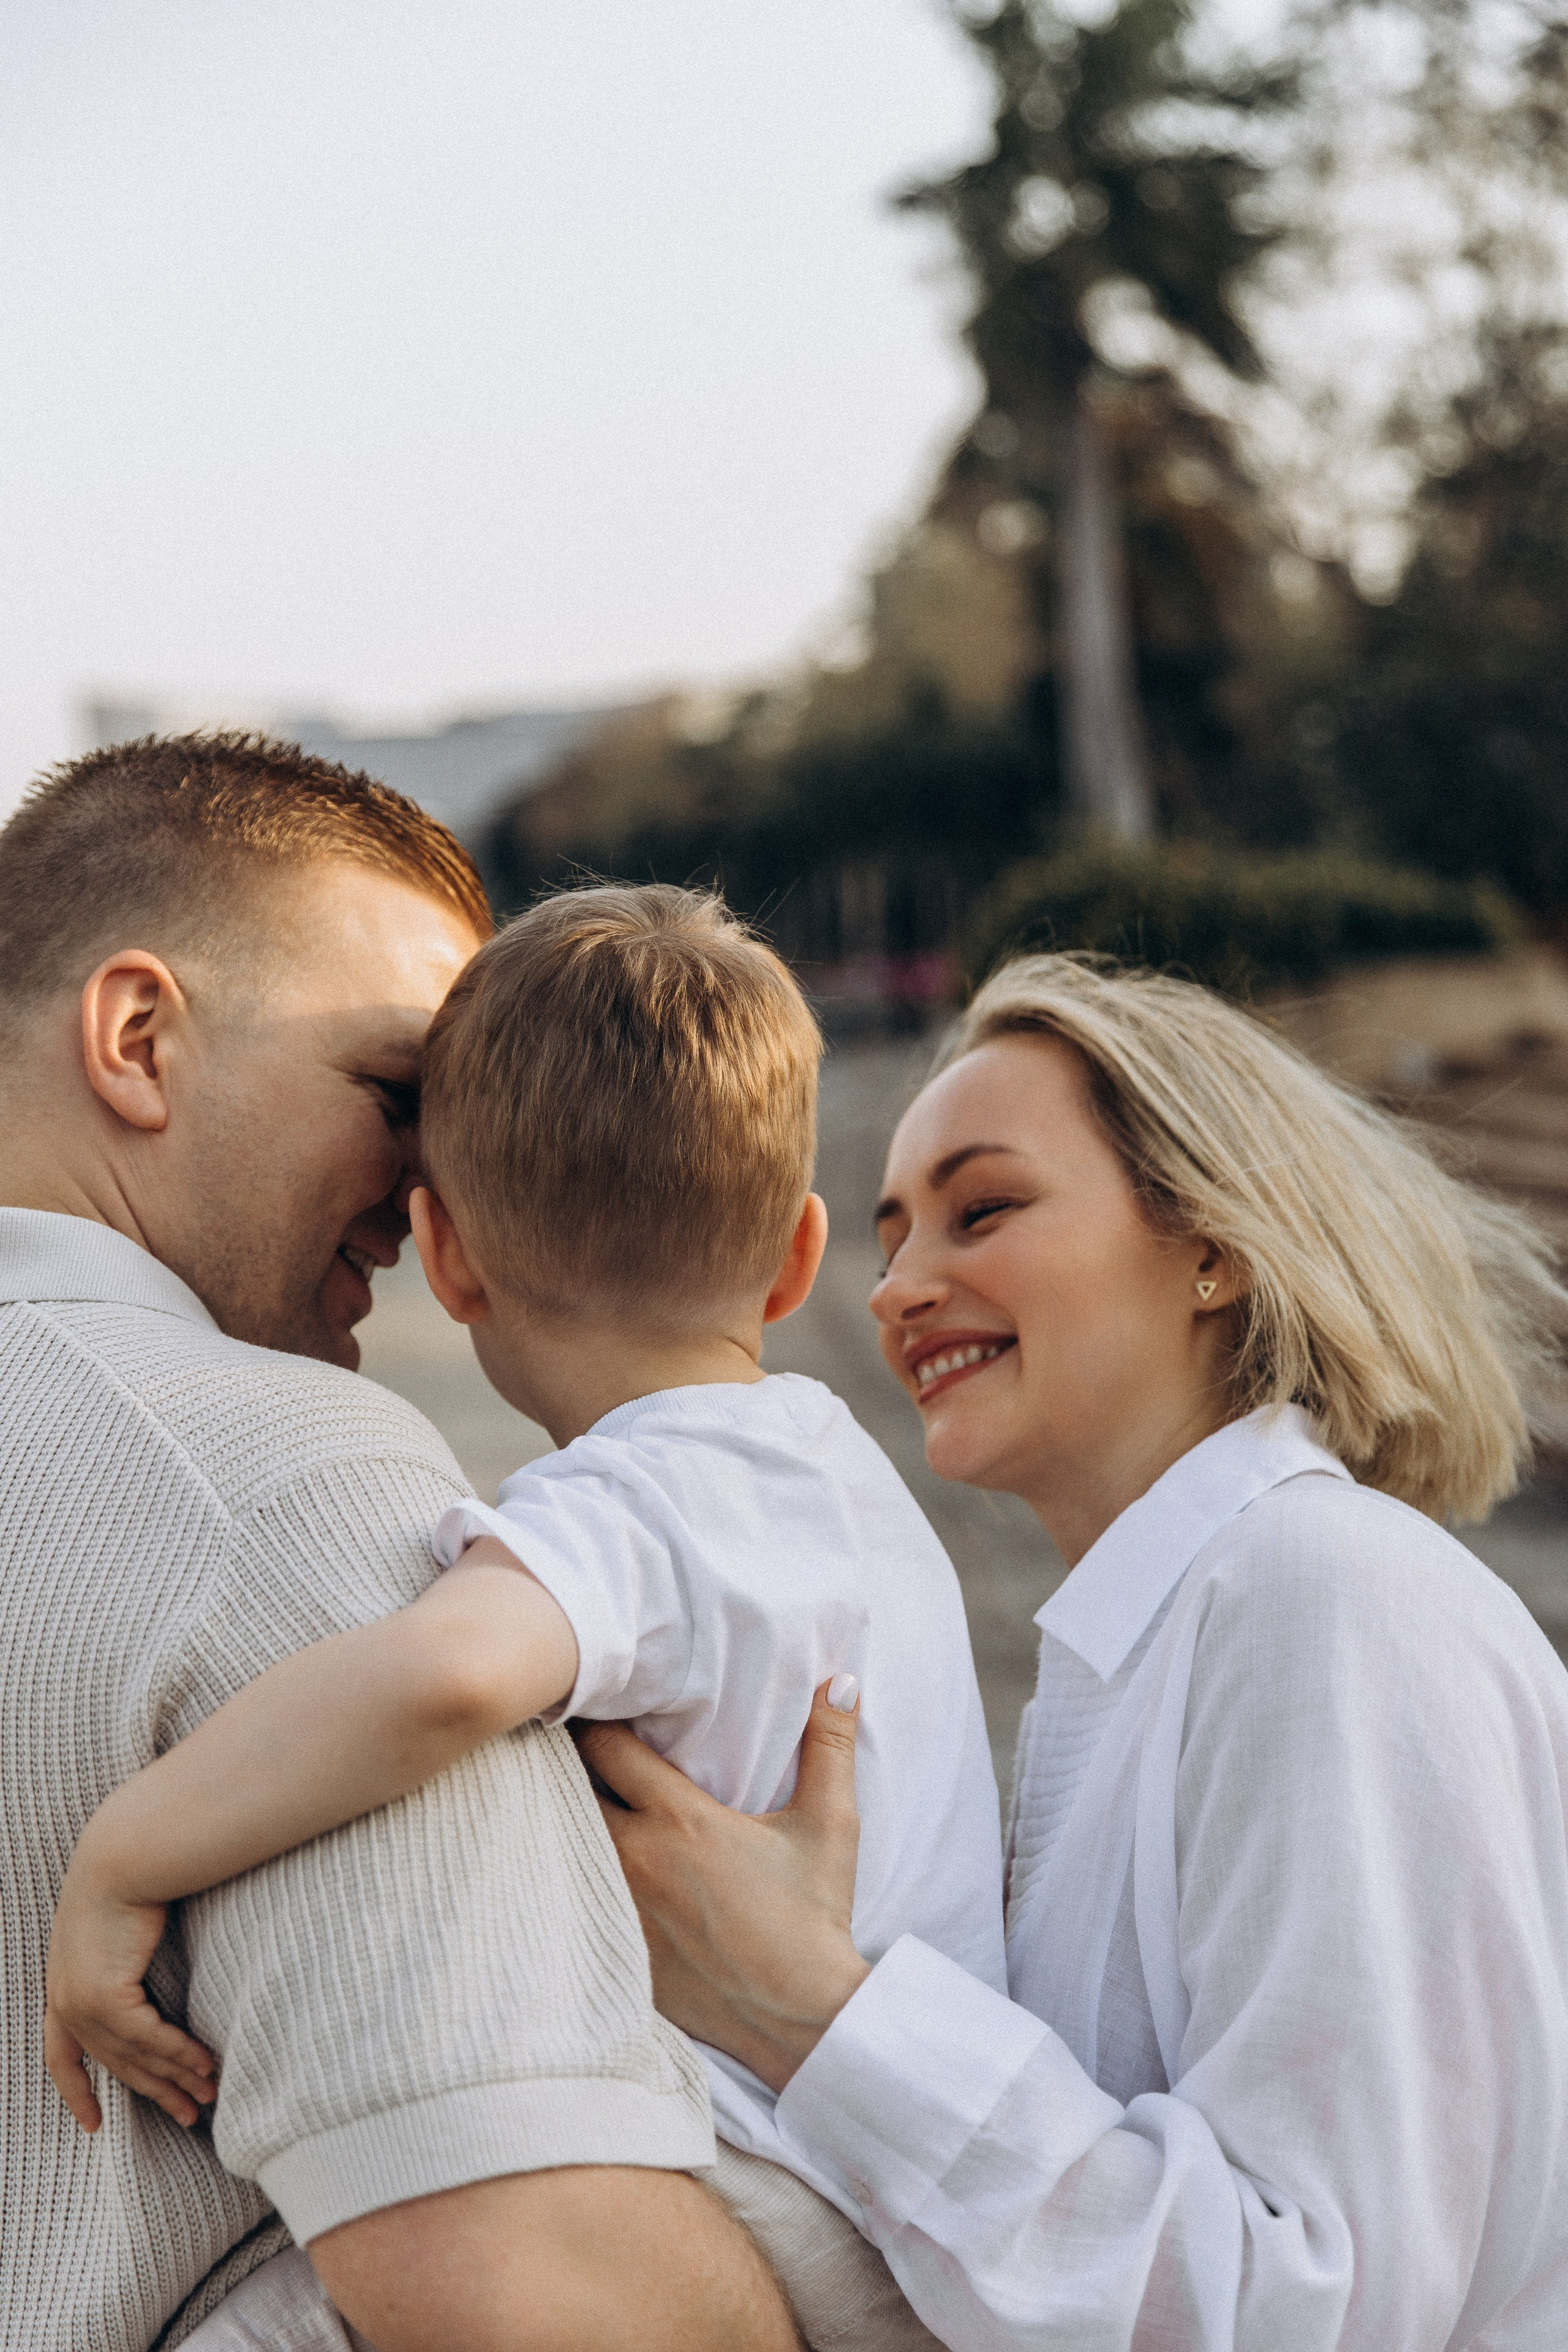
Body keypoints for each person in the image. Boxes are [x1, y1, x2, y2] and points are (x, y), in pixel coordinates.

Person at [47, 883, 1001, 2351]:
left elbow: (438, 1680)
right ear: (798, 1255)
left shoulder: (642, 1501)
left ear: (448, 1255)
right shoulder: (826, 1478)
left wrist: (124, 1856)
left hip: (769, 2181)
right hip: (901, 2178)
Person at [578, 951, 1568, 2350]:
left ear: (1212, 1241)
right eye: (890, 1235)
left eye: (980, 1210)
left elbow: (1315, 2308)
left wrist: (803, 2006)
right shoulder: (1145, 1647)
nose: (899, 1288)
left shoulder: (1323, 1593)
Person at [0, 739, 801, 2352]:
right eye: (399, 1096)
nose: (444, 1186)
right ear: (140, 1036)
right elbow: (539, 2300)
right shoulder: (277, 1475)